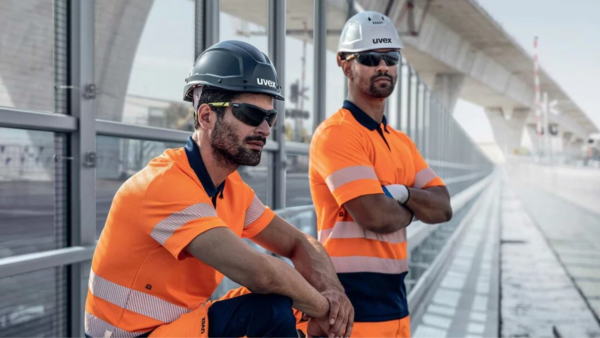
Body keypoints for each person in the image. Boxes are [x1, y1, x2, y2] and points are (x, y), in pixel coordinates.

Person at [85, 40, 353, 338]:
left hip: (176, 328)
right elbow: (260, 273)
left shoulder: (229, 188)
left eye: (270, 117)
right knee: (273, 308)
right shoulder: (163, 186)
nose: (265, 129)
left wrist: (334, 292)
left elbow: (298, 243)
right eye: (251, 114)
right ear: (206, 116)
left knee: (287, 306)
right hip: (133, 336)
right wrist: (326, 309)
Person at [307, 11, 453, 338]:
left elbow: (443, 207)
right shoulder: (337, 134)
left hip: (396, 306)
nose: (383, 66)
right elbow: (375, 216)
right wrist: (416, 206)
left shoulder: (401, 143)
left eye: (391, 57)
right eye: (371, 58)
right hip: (346, 310)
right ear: (345, 64)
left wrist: (400, 194)